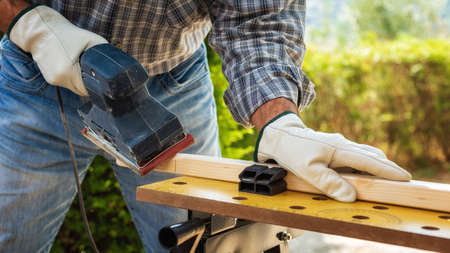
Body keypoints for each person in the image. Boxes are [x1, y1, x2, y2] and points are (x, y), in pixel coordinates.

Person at [0, 0, 412, 252]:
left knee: (203, 238)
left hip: (169, 79)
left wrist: (280, 121)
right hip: (35, 75)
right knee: (9, 237)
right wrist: (30, 26)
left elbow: (258, 20)